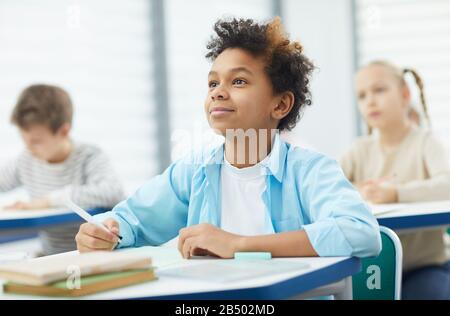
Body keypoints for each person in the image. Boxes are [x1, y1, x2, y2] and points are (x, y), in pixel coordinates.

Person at [76, 17, 381, 262]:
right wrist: (107, 231)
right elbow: (132, 220)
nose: (218, 91)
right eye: (212, 82)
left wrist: (238, 244)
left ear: (280, 104)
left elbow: (360, 232)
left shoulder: (309, 171)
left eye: (238, 81)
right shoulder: (194, 171)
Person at [341, 60, 450, 299]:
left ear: (404, 94)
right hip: (372, 269)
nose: (370, 101)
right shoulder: (360, 149)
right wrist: (359, 189)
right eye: (362, 95)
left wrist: (397, 193)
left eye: (379, 90)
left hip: (425, 268)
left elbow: (447, 185)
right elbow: (329, 188)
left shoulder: (425, 142)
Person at [0, 84, 125, 255]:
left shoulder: (89, 157)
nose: (28, 147)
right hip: (53, 256)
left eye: (36, 141)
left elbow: (113, 191)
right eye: (24, 139)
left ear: (64, 131)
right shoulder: (26, 160)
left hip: (96, 255)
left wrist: (51, 200)